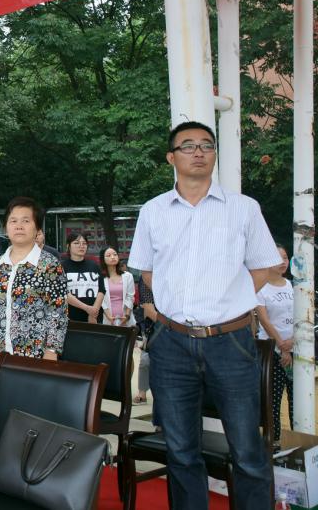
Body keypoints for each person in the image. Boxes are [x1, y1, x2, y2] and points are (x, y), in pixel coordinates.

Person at [128, 121, 281, 509]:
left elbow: (263, 268)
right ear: (171, 157)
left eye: (206, 145)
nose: (198, 152)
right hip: (171, 343)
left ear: (214, 154)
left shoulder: (244, 209)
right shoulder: (153, 211)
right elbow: (148, 271)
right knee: (180, 451)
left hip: (231, 342)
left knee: (247, 451)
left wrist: (225, 298)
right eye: (188, 146)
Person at [0, 197, 67, 372]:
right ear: (6, 228)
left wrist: (51, 353)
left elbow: (58, 313)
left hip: (36, 357)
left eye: (26, 221)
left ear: (37, 229)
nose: (19, 226)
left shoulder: (50, 265)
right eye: (13, 221)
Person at [256, 244, 294, 447]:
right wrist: (281, 346)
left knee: (298, 399)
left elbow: (301, 318)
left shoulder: (293, 286)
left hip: (295, 350)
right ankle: (275, 443)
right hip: (272, 351)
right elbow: (264, 321)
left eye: (285, 258)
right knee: (273, 400)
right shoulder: (261, 289)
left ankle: (298, 441)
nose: (283, 262)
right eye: (278, 259)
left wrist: (292, 343)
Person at [63, 231, 103, 323]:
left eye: (84, 243)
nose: (81, 246)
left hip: (94, 317)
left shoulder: (94, 265)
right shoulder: (61, 267)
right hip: (71, 317)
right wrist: (87, 308)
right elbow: (63, 292)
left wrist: (93, 311)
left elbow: (102, 290)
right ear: (68, 246)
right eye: (76, 243)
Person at [133, 275, 156, 404]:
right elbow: (148, 309)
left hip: (176, 324)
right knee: (145, 360)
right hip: (152, 324)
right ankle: (142, 392)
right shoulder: (146, 277)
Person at [100, 247, 135, 327]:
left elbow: (130, 297)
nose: (113, 257)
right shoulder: (100, 278)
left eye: (115, 254)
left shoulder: (128, 276)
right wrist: (108, 316)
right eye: (108, 255)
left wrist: (127, 316)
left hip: (126, 319)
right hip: (108, 319)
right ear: (103, 259)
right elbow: (101, 300)